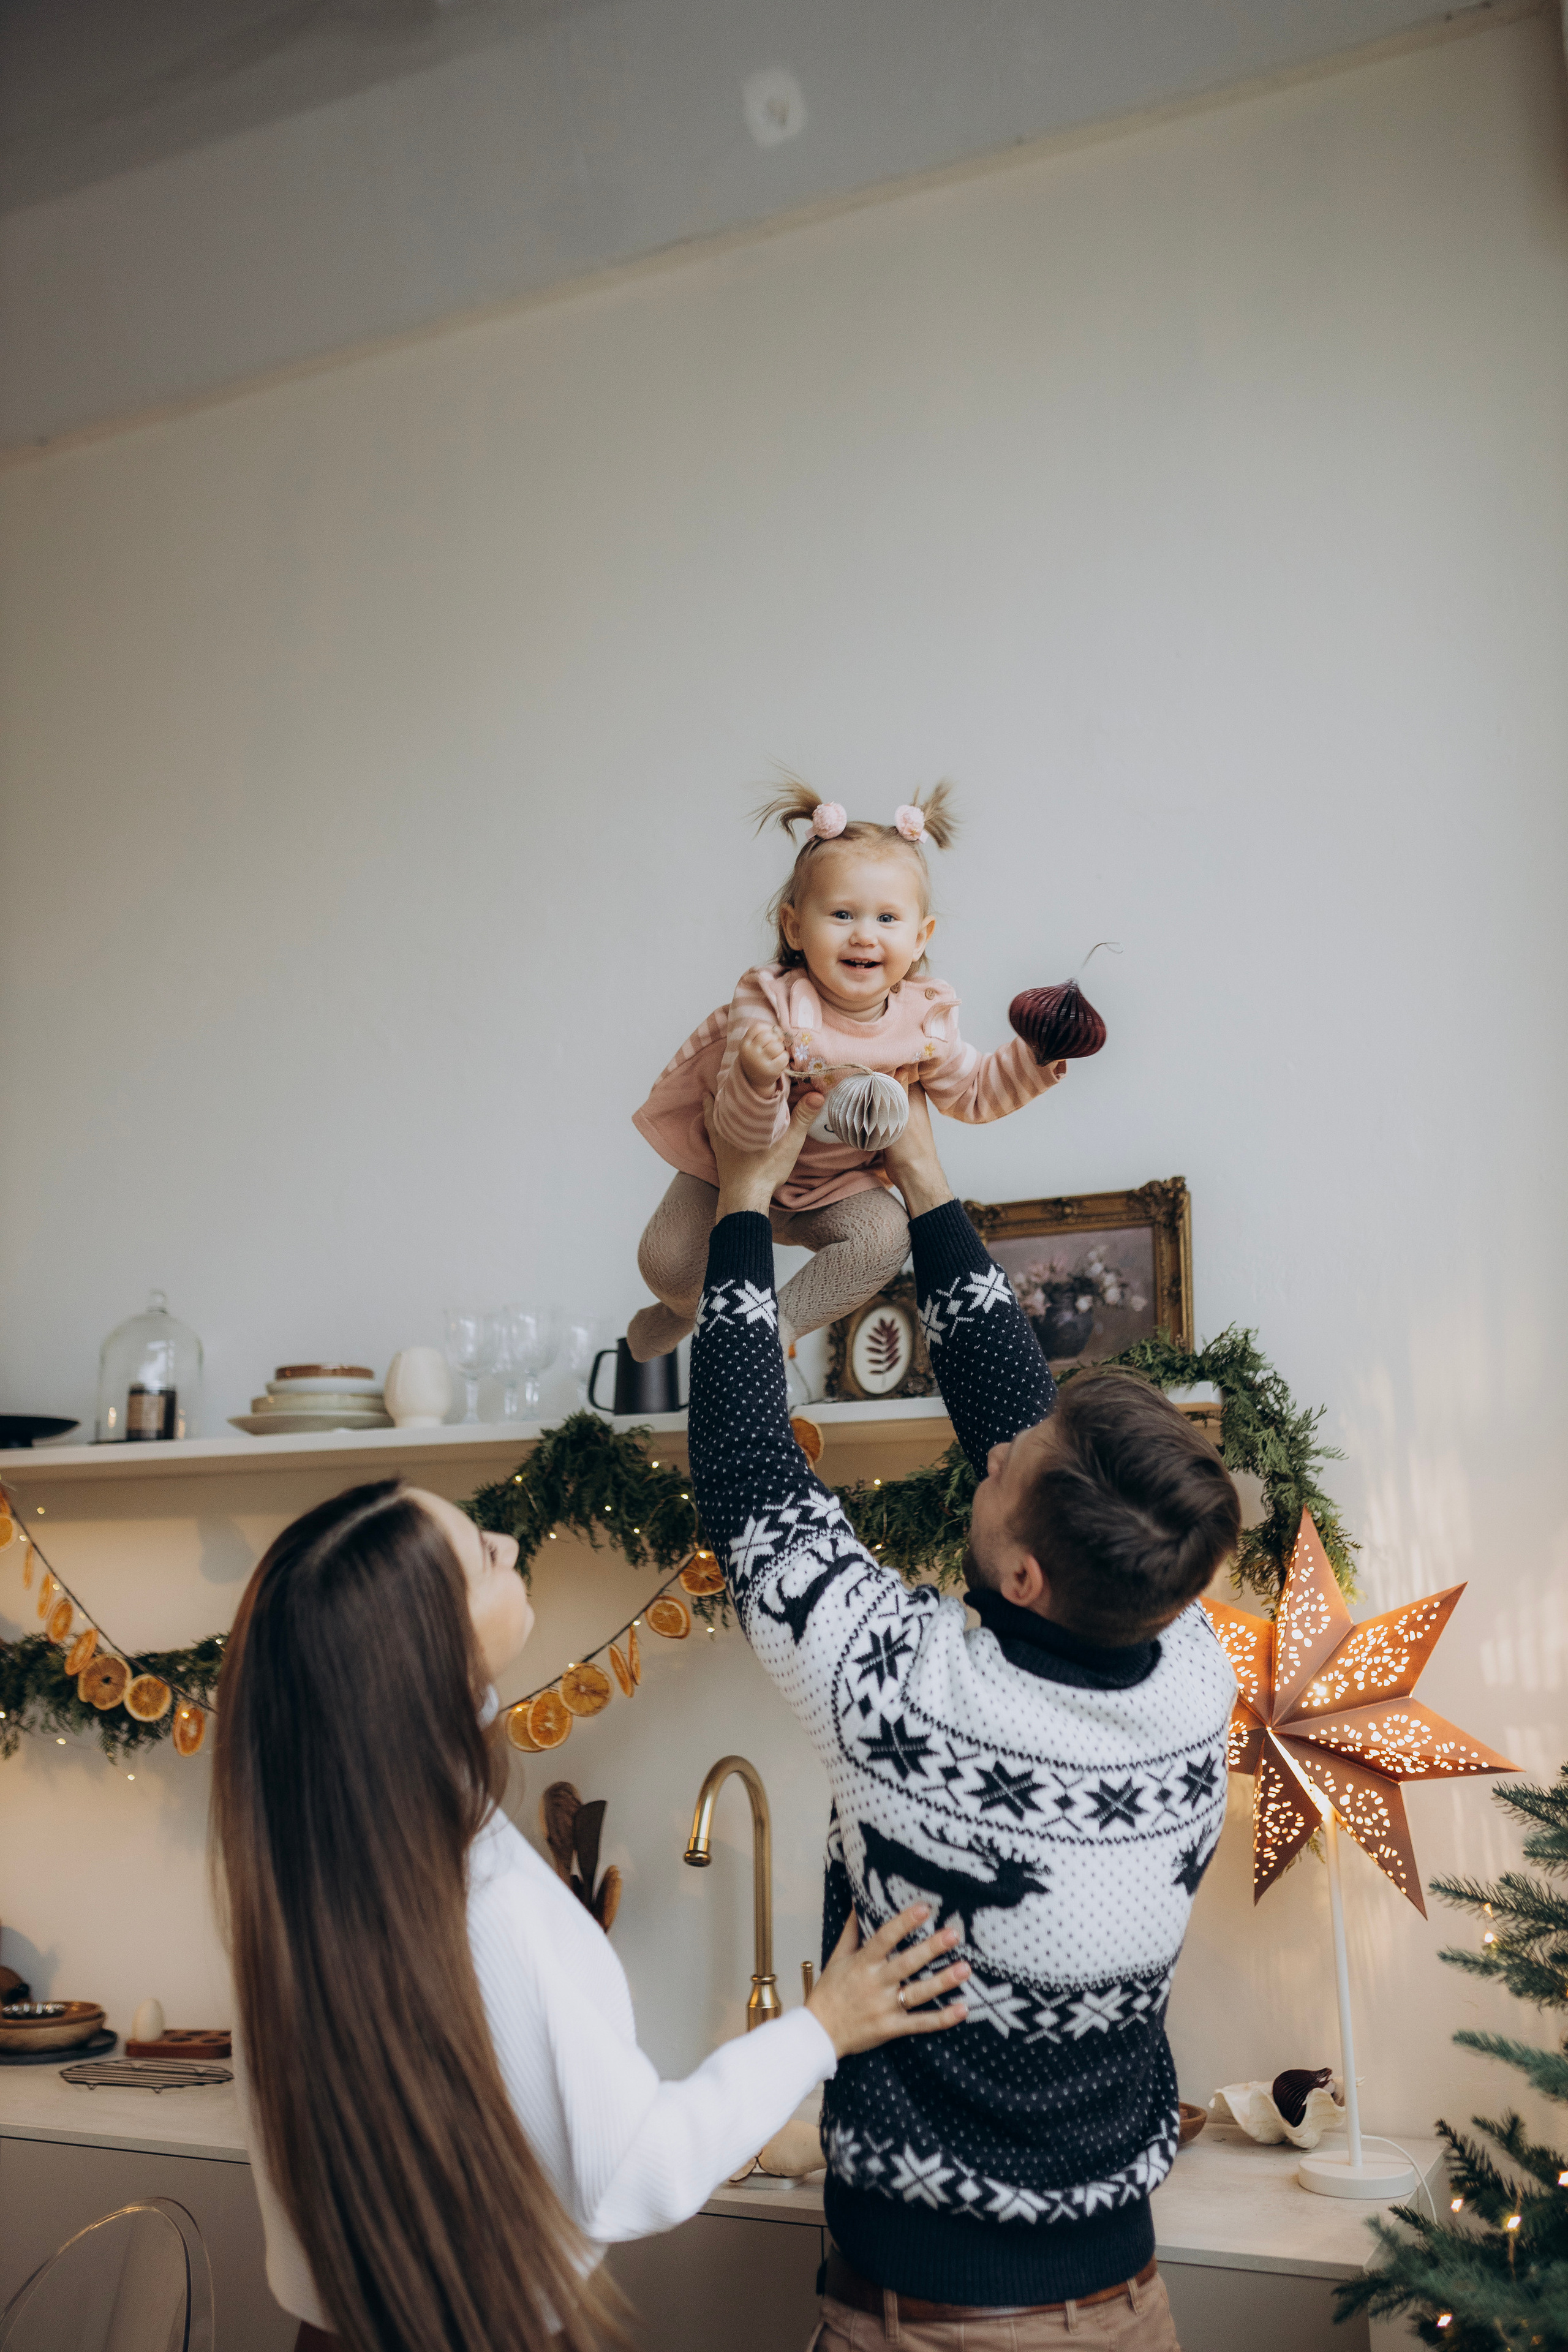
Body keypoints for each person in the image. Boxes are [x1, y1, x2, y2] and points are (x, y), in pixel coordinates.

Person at [688, 1085, 1243, 2351]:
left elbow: (748, 1480)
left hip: (934, 2324)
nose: (994, 1451)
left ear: (1028, 1578)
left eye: (1010, 1472)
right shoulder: (1188, 1663)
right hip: (1129, 2305)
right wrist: (926, 1182)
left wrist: (739, 1196)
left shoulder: (904, 1698)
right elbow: (1017, 1425)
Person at [213, 1477, 972, 2352]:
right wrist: (821, 2028)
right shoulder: (476, 1894)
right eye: (482, 1555)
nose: (509, 1543)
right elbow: (633, 2172)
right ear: (427, 1648)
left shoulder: (309, 1861)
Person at [627, 780, 1068, 1365]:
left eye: (887, 917)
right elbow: (742, 1137)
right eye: (841, 914)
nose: (864, 933)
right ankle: (678, 1312)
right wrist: (756, 1078)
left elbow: (973, 1092)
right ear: (794, 928)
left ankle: (777, 1327)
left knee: (886, 1238)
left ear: (920, 938)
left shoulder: (925, 1017)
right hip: (731, 1169)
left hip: (835, 1186)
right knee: (668, 1266)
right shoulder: (770, 1000)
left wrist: (1037, 1056)